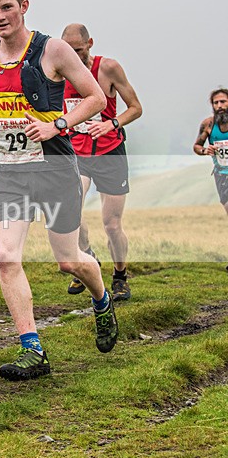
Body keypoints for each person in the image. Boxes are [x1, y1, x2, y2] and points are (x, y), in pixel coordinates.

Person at [0, 0, 118, 381]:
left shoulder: (52, 49)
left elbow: (96, 98)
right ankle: (32, 349)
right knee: (5, 255)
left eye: (7, 7)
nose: (0, 17)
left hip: (53, 167)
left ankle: (102, 300)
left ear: (24, 6)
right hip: (9, 172)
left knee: (69, 261)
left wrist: (59, 125)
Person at [60, 24, 143, 301]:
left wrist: (112, 124)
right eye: (67, 51)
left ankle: (120, 275)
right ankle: (87, 259)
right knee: (71, 213)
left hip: (110, 152)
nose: (73, 56)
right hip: (77, 153)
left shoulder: (108, 68)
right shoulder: (57, 72)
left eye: (78, 51)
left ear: (90, 44)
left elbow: (136, 107)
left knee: (112, 224)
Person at [194, 89, 228, 219]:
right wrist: (205, 151)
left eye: (223, 102)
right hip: (222, 175)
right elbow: (197, 146)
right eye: (215, 103)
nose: (219, 106)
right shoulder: (208, 124)